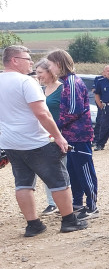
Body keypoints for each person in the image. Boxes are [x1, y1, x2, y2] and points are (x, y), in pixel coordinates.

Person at [0, 45, 87, 235]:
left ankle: (33, 224)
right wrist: (58, 136)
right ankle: (69, 221)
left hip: (10, 142)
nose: (31, 62)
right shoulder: (26, 82)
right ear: (14, 60)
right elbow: (42, 113)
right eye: (27, 59)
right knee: (59, 181)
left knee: (22, 183)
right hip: (36, 141)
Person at [47, 49, 98, 218]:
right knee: (73, 171)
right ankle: (77, 203)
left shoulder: (72, 82)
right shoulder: (66, 82)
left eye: (50, 65)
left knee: (84, 170)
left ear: (59, 64)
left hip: (79, 135)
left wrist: (54, 127)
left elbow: (73, 111)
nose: (49, 69)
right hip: (69, 135)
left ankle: (92, 207)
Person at [34, 59, 66, 215]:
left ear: (50, 71)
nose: (38, 76)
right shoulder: (39, 89)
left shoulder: (63, 89)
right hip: (44, 135)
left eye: (40, 72)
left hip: (61, 134)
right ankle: (52, 203)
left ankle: (68, 202)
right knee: (48, 170)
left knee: (63, 169)